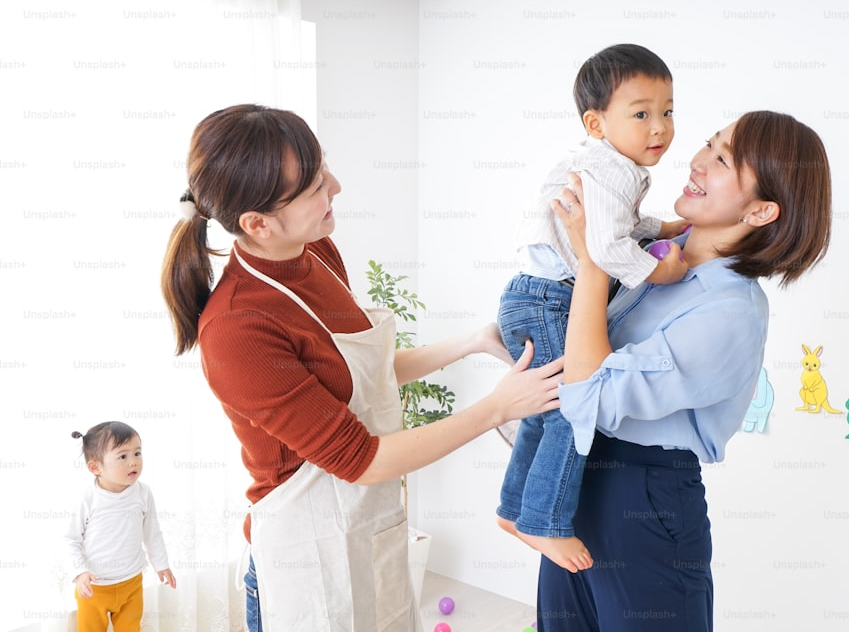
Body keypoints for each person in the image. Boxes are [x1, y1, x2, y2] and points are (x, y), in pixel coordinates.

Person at [160, 104, 563, 632]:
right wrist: (496, 409)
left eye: (324, 167)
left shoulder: (316, 251)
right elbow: (362, 459)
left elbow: (358, 380)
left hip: (366, 530)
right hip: (305, 558)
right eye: (314, 187)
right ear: (257, 224)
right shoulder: (238, 329)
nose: (336, 186)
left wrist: (471, 342)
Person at [539, 110, 832, 631]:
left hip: (643, 499)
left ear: (761, 210)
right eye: (708, 145)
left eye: (723, 160)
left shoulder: (731, 311)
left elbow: (588, 394)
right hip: (575, 479)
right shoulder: (650, 260)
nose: (697, 161)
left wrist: (592, 260)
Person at [496, 43, 689, 573]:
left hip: (529, 296)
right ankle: (544, 520)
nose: (660, 127)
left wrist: (660, 226)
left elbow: (615, 223)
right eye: (641, 114)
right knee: (574, 406)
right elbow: (602, 247)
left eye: (668, 111)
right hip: (552, 298)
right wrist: (661, 270)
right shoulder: (614, 170)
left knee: (546, 407)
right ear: (596, 123)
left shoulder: (603, 163)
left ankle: (515, 508)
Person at [65, 421, 176, 632]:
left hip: (131, 582)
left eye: (137, 453)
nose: (133, 462)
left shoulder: (143, 493)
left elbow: (152, 532)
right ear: (95, 467)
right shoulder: (88, 499)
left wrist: (161, 563)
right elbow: (71, 539)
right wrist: (80, 572)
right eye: (123, 456)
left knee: (131, 628)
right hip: (95, 587)